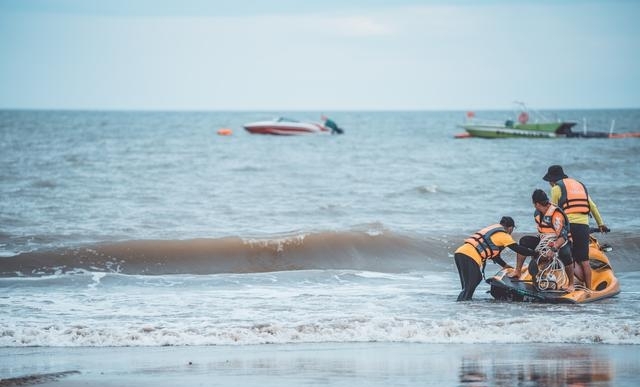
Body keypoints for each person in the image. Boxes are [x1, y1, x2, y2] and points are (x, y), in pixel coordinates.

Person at [543, 165, 609, 290]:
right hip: (583, 225)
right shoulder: (580, 186)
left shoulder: (556, 188)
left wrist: (550, 229)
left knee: (569, 257)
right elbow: (592, 206)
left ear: (552, 180)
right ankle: (588, 289)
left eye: (549, 182)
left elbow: (554, 211)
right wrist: (601, 224)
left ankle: (570, 285)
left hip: (568, 225)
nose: (550, 184)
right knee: (584, 260)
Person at [453, 216, 537, 301]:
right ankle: (463, 303)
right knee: (472, 283)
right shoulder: (504, 235)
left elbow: (495, 256)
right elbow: (518, 249)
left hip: (460, 253)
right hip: (469, 256)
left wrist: (505, 265)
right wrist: (535, 253)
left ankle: (464, 304)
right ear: (510, 228)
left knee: (470, 284)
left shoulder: (493, 230)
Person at [511, 189, 575, 292]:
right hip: (544, 241)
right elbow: (542, 233)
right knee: (524, 241)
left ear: (536, 203)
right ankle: (518, 271)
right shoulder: (537, 214)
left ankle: (571, 284)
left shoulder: (556, 215)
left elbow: (563, 237)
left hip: (560, 241)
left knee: (565, 253)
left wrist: (553, 249)